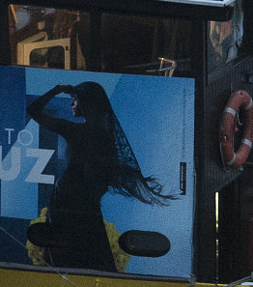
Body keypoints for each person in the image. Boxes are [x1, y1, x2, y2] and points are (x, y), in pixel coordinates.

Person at [23, 81, 175, 270]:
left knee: (66, 255)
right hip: (84, 204)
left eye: (74, 100)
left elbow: (33, 110)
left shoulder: (77, 131)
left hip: (69, 203)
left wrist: (56, 90)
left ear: (86, 102)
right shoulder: (105, 137)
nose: (71, 104)